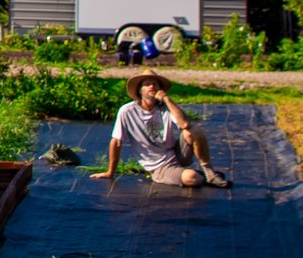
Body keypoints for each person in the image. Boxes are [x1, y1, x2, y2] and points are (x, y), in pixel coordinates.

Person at [97, 72, 230, 187]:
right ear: (140, 90)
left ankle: (209, 173)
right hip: (159, 166)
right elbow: (116, 141)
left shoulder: (165, 107)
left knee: (194, 130)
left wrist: (166, 99)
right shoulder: (127, 111)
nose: (152, 87)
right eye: (147, 84)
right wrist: (110, 172)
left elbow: (185, 124)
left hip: (176, 154)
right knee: (192, 178)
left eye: (155, 84)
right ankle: (199, 176)